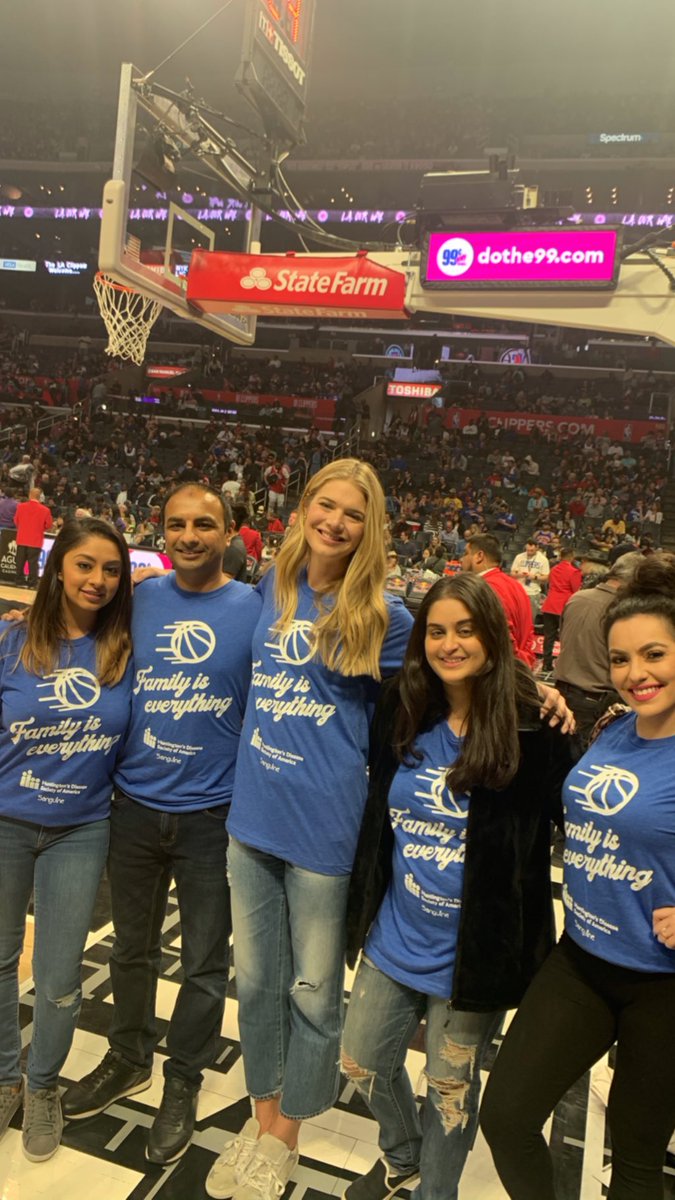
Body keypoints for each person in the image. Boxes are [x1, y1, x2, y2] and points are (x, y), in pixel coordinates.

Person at [205, 460, 414, 1200]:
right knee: (258, 983)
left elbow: (454, 677)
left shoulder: (387, 617)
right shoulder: (275, 583)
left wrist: (538, 692)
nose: (335, 522)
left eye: (353, 514)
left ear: (370, 528)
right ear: (303, 508)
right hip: (252, 816)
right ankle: (262, 1117)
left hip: (324, 827)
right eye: (326, 505)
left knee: (314, 992)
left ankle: (286, 1136)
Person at [340, 573, 576, 1200]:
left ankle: (433, 1193)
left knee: (450, 1095)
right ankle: (402, 1157)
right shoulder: (405, 707)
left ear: (492, 638)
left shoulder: (533, 728)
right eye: (437, 631)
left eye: (465, 630)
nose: (450, 644)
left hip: (475, 955)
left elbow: (587, 820)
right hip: (395, 933)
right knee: (361, 1060)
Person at [60, 485, 262, 1166]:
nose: (189, 535)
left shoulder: (255, 608)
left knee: (205, 963)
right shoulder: (138, 598)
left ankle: (183, 1079)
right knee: (130, 949)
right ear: (162, 531)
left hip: (213, 815)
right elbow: (69, 625)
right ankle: (128, 1057)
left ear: (229, 532)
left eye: (204, 524)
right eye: (176, 524)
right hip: (135, 807)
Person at [481, 553, 675, 1200]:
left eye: (653, 654)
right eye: (620, 659)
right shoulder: (614, 727)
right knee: (506, 1118)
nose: (635, 674)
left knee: (636, 1165)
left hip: (663, 986)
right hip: (581, 959)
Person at [0, 517, 133, 1161]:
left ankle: (43, 1085)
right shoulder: (12, 639)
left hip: (80, 829)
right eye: (84, 564)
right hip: (6, 820)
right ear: (57, 568)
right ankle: (5, 1076)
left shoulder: (126, 649)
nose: (97, 580)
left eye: (111, 569)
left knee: (57, 976)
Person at [555, 553, 642, 745]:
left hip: (561, 695)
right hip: (595, 701)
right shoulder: (623, 611)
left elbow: (563, 637)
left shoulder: (576, 598)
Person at [460, 534, 535, 666]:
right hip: (518, 665)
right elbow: (528, 633)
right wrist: (524, 661)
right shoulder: (516, 585)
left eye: (466, 553)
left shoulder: (485, 588)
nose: (461, 559)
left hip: (499, 668)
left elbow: (504, 636)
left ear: (479, 556)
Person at [540, 546, 582, 674]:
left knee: (549, 636)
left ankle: (546, 664)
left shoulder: (553, 569)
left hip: (549, 605)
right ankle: (563, 665)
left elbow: (549, 585)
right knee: (565, 637)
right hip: (564, 606)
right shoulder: (574, 572)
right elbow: (576, 590)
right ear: (572, 557)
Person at [14, 487, 53, 589]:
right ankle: (32, 583)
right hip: (36, 540)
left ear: (29, 495)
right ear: (40, 497)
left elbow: (16, 521)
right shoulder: (45, 510)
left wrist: (23, 528)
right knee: (33, 563)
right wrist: (40, 529)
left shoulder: (21, 506)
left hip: (22, 539)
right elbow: (49, 525)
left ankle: (19, 581)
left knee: (20, 562)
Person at [510, 539, 550, 618]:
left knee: (530, 617)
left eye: (531, 550)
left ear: (537, 548)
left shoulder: (543, 559)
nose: (529, 552)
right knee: (516, 616)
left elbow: (546, 577)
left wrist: (534, 577)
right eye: (527, 550)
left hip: (533, 592)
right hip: (518, 591)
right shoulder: (519, 557)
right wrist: (520, 574)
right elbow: (512, 574)